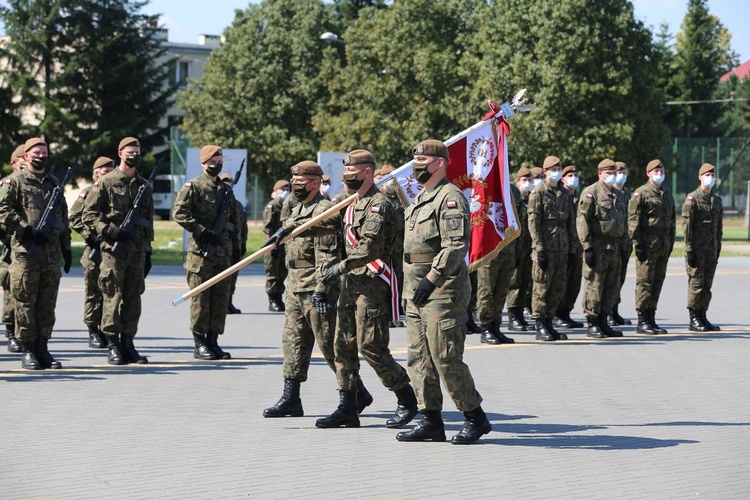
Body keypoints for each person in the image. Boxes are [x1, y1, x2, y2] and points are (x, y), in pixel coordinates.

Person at [395, 139, 491, 444]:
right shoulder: (421, 199)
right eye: (415, 159)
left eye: (423, 159)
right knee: (418, 358)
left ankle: (475, 416)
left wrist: (431, 280)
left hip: (442, 290)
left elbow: (454, 246)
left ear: (439, 163)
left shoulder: (450, 198)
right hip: (415, 290)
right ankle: (431, 420)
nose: (417, 164)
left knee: (445, 357)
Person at [316, 149, 417, 430]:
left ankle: (406, 398)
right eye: (345, 172)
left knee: (371, 347)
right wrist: (290, 231)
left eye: (353, 172)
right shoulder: (352, 203)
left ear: (368, 172)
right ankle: (347, 406)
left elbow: (369, 249)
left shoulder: (378, 205)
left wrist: (339, 267)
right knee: (343, 347)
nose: (347, 177)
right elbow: (325, 225)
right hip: (351, 286)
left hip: (373, 286)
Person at [263, 160, 352, 417]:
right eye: (293, 183)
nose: (295, 187)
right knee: (293, 343)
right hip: (295, 285)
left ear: (315, 182)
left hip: (316, 286)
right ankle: (291, 398)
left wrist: (322, 287)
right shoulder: (298, 208)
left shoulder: (325, 210)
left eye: (301, 183)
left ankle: (353, 394)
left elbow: (328, 256)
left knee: (329, 346)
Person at [0, 137, 72, 370]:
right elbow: (3, 210)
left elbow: (63, 217)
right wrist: (26, 229)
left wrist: (66, 248)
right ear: (26, 156)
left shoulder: (53, 183)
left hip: (51, 254)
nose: (41, 156)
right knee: (25, 302)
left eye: (44, 152)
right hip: (25, 254)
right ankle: (28, 350)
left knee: (46, 303)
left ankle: (43, 348)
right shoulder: (14, 182)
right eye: (36, 152)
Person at [82, 136, 154, 364]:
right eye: (130, 151)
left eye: (138, 151)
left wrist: (149, 251)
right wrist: (107, 231)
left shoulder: (144, 185)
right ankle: (112, 344)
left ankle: (128, 343)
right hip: (113, 251)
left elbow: (148, 221)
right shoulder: (105, 182)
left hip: (137, 251)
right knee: (112, 296)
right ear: (120, 153)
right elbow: (89, 215)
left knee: (133, 298)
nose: (134, 155)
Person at [173, 145, 241, 360]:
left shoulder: (225, 189)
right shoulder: (193, 186)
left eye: (219, 158)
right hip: (201, 254)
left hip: (223, 252)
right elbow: (179, 212)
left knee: (220, 300)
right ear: (203, 163)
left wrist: (235, 244)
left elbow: (233, 219)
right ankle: (199, 343)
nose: (216, 162)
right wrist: (202, 231)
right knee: (201, 301)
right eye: (211, 159)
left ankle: (213, 341)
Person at [528, 156, 577, 341]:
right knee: (541, 287)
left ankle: (550, 322)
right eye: (553, 169)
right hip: (546, 248)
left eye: (559, 168)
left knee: (558, 287)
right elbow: (533, 222)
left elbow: (571, 223)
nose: (556, 171)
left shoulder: (564, 194)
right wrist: (539, 248)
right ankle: (540, 325)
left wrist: (572, 248)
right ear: (545, 171)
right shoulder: (538, 192)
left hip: (562, 248)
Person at [577, 159, 627, 338]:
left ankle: (604, 321)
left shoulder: (619, 195)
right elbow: (582, 219)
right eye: (609, 172)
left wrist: (624, 243)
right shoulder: (591, 193)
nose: (613, 175)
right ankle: (592, 322)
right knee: (595, 285)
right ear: (600, 174)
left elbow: (623, 220)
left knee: (611, 286)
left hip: (614, 246)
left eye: (614, 172)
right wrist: (587, 246)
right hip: (597, 246)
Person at [69, 156, 115, 349]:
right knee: (93, 292)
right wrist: (89, 236)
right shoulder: (88, 192)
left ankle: (108, 329)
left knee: (110, 291)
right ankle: (93, 330)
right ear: (96, 174)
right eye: (105, 172)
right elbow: (74, 217)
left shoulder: (116, 192)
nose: (109, 176)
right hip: (94, 250)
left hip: (112, 250)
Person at [628, 159, 675, 335]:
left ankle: (651, 318)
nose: (659, 173)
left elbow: (671, 220)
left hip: (662, 244)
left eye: (661, 170)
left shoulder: (666, 193)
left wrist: (670, 241)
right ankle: (642, 320)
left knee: (657, 282)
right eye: (655, 170)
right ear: (648, 173)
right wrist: (637, 243)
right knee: (645, 282)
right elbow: (634, 220)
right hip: (647, 244)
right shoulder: (641, 193)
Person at [682, 163, 723, 331]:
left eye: (713, 175)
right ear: (700, 177)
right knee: (696, 284)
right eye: (707, 175)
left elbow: (719, 227)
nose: (710, 178)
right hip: (697, 250)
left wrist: (718, 247)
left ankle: (703, 315)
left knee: (707, 285)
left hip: (711, 250)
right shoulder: (693, 199)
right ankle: (694, 318)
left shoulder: (717, 200)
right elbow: (687, 226)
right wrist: (689, 249)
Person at [1, 144, 25, 354]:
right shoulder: (6, 184)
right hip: (10, 248)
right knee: (11, 293)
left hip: (28, 247)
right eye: (22, 159)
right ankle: (11, 333)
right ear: (14, 163)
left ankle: (25, 334)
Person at [554, 165, 584, 329]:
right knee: (561, 282)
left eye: (575, 174)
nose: (574, 178)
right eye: (570, 175)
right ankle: (557, 313)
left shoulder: (580, 197)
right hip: (561, 246)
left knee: (574, 281)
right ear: (563, 179)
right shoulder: (560, 197)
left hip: (577, 246)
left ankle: (566, 313)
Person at [375, 164, 405, 327]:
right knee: (385, 279)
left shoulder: (401, 198)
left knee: (398, 278)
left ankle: (395, 312)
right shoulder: (379, 198)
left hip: (399, 247)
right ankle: (385, 312)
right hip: (384, 247)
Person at [506, 167, 534, 332]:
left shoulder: (530, 198)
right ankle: (513, 316)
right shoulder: (514, 198)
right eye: (524, 180)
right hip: (517, 245)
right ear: (517, 182)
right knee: (515, 282)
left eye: (529, 180)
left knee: (525, 281)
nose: (528, 183)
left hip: (528, 247)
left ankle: (521, 315)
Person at [219, 172, 248, 315]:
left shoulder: (238, 205)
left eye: (229, 181)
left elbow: (242, 227)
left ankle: (229, 302)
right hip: (220, 247)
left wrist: (242, 245)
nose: (228, 183)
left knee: (232, 277)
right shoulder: (217, 202)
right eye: (225, 181)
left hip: (234, 245)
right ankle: (220, 304)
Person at [609, 161, 633, 326]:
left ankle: (614, 310)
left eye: (623, 171)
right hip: (610, 243)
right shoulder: (608, 193)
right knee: (608, 279)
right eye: (618, 171)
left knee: (619, 278)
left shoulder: (627, 194)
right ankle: (607, 311)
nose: (621, 174)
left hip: (624, 242)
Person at [262, 180, 290, 312]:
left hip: (284, 245)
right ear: (276, 191)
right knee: (273, 273)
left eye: (287, 188)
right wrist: (272, 246)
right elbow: (267, 228)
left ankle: (279, 297)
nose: (285, 191)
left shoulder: (286, 206)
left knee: (282, 273)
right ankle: (272, 299)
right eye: (282, 188)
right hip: (273, 245)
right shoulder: (272, 206)